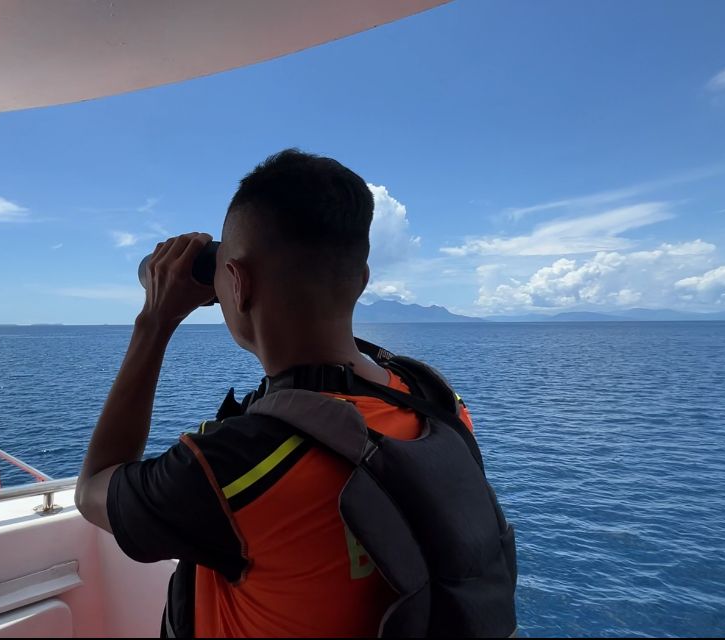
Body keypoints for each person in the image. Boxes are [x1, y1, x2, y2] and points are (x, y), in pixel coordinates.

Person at [74, 149, 480, 637]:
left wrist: (155, 321)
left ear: (237, 283)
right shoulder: (437, 402)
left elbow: (92, 489)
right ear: (361, 281)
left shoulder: (236, 467)